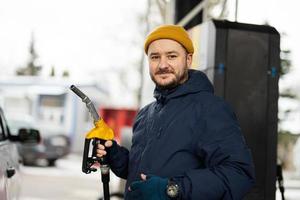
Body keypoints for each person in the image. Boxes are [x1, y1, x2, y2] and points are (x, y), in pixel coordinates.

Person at [96, 25, 255, 200]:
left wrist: (172, 189)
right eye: (155, 57)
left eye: (171, 56)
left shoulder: (210, 108)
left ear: (188, 59)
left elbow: (238, 174)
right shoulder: (145, 115)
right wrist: (115, 156)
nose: (163, 65)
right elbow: (142, 174)